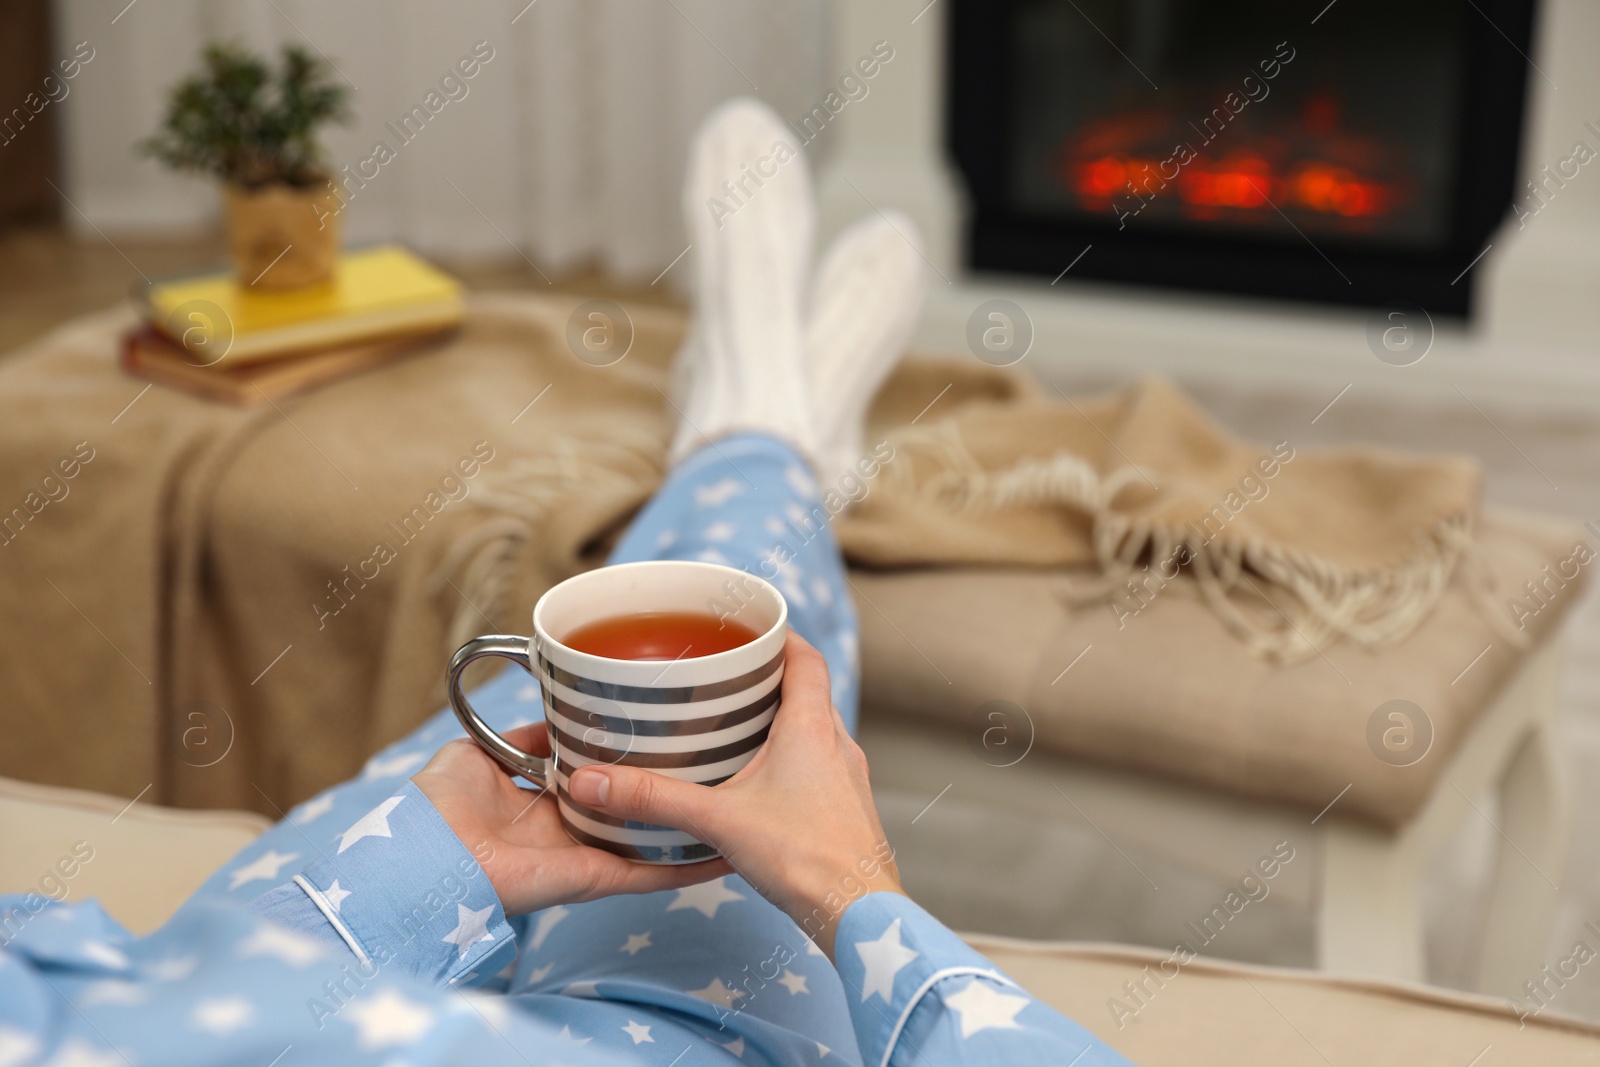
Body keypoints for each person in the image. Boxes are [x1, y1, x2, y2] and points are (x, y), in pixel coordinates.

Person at [0, 100, 1132, 1067]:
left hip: (243, 971)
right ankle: (764, 435)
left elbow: (138, 993)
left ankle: (757, 427)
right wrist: (854, 888)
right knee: (701, 740)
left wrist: (413, 870)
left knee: (522, 734)